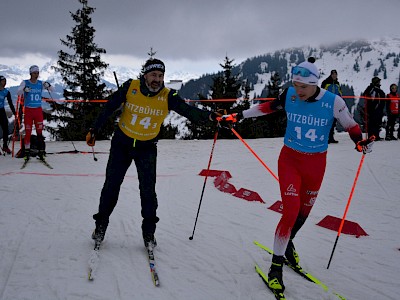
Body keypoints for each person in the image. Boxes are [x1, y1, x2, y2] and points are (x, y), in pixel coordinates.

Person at [218, 57, 374, 294]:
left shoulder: (333, 101)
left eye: (303, 86)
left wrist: (359, 142)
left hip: (316, 164)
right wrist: (238, 116)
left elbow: (350, 125)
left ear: (315, 84)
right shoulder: (289, 95)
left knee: (303, 214)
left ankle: (287, 245)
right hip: (290, 160)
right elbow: (266, 107)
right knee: (290, 211)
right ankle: (275, 269)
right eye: (295, 85)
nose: (298, 90)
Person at [86, 58, 220, 249]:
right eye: (153, 75)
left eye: (160, 75)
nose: (157, 79)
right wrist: (95, 129)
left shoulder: (168, 95)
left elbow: (188, 111)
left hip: (146, 147)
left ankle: (148, 233)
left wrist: (210, 117)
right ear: (145, 75)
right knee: (111, 187)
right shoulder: (130, 87)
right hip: (122, 144)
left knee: (148, 191)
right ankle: (100, 227)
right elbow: (109, 106)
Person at [17, 65, 54, 160]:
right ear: (30, 73)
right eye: (34, 73)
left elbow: (52, 90)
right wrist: (24, 89)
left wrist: (48, 85)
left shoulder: (40, 83)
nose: (36, 75)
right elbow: (18, 92)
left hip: (38, 110)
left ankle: (41, 152)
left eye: (37, 73)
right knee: (28, 132)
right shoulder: (25, 82)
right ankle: (27, 152)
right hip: (29, 110)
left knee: (39, 132)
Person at [321, 69, 343, 143]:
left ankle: (331, 137)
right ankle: (325, 138)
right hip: (327, 105)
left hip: (335, 105)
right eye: (333, 74)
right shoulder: (326, 82)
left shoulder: (337, 83)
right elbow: (322, 93)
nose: (334, 75)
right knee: (327, 122)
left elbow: (340, 93)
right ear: (331, 75)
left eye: (335, 74)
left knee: (333, 122)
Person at [0, 75, 16, 154]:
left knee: (5, 128)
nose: (4, 83)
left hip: (2, 111)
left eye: (5, 81)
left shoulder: (6, 92)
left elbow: (10, 103)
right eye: (3, 81)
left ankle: (5, 146)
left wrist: (15, 113)